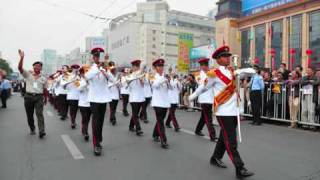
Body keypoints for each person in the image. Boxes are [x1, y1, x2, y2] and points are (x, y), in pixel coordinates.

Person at [189, 46, 254, 179]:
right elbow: (203, 87)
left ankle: (216, 157)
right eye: (225, 56)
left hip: (233, 111)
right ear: (218, 60)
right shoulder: (214, 74)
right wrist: (192, 97)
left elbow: (251, 72)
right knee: (231, 141)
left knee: (224, 138)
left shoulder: (232, 71)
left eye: (229, 56)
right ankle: (239, 168)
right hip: (223, 112)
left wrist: (242, 70)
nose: (228, 58)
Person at [85, 47, 114, 156]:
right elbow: (87, 77)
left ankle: (99, 139)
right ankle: (96, 144)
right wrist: (98, 68)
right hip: (94, 99)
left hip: (104, 98)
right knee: (96, 121)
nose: (98, 58)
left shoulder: (105, 68)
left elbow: (112, 80)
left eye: (100, 56)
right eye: (96, 56)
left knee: (101, 121)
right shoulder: (89, 67)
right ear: (93, 57)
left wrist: (105, 69)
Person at [18, 49, 48, 139]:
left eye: (39, 66)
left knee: (39, 114)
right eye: (36, 66)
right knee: (29, 115)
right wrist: (22, 58)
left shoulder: (43, 78)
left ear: (41, 68)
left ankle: (42, 131)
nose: (37, 67)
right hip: (28, 97)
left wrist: (45, 98)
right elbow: (20, 68)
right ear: (33, 67)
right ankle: (32, 128)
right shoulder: (28, 74)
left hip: (39, 97)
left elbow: (45, 89)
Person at [194, 57, 216, 141]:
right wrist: (209, 76)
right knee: (208, 118)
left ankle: (198, 130)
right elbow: (201, 83)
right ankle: (212, 135)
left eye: (207, 64)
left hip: (210, 98)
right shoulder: (198, 74)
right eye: (204, 65)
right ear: (201, 66)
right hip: (204, 99)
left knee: (204, 117)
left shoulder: (211, 73)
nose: (206, 66)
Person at [151, 59, 171, 149]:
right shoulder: (152, 76)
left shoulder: (165, 76)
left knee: (161, 120)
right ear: (155, 68)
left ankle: (155, 134)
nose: (161, 68)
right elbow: (155, 85)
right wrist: (164, 79)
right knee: (160, 122)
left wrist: (170, 81)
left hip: (165, 102)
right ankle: (163, 140)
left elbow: (171, 88)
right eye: (159, 66)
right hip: (157, 102)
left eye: (162, 66)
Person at [127, 60, 145, 136]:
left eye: (137, 66)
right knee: (135, 114)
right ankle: (138, 129)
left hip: (140, 97)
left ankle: (131, 126)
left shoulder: (142, 74)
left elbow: (143, 85)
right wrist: (132, 78)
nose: (136, 68)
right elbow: (127, 84)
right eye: (135, 66)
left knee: (135, 114)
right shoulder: (130, 75)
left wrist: (141, 80)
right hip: (133, 98)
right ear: (133, 67)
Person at [77, 65, 91, 141]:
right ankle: (86, 132)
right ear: (81, 74)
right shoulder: (77, 81)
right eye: (83, 73)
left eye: (86, 72)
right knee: (85, 118)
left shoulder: (91, 81)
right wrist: (85, 82)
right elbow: (79, 89)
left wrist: (88, 82)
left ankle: (84, 128)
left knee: (87, 119)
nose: (85, 74)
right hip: (82, 103)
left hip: (90, 103)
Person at [65, 64, 81, 129]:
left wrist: (78, 79)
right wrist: (73, 80)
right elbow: (65, 87)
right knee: (72, 110)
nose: (76, 70)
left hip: (78, 96)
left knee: (75, 110)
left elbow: (80, 86)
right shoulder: (68, 76)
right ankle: (73, 122)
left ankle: (73, 120)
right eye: (75, 68)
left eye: (77, 68)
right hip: (71, 96)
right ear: (72, 69)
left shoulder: (79, 76)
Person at [107, 61, 120, 126]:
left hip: (116, 95)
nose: (113, 67)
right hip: (110, 95)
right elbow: (107, 85)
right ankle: (114, 119)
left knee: (114, 108)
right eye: (111, 65)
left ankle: (111, 117)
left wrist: (118, 82)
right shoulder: (107, 74)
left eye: (113, 65)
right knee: (112, 108)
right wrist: (114, 83)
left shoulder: (116, 74)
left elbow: (119, 85)